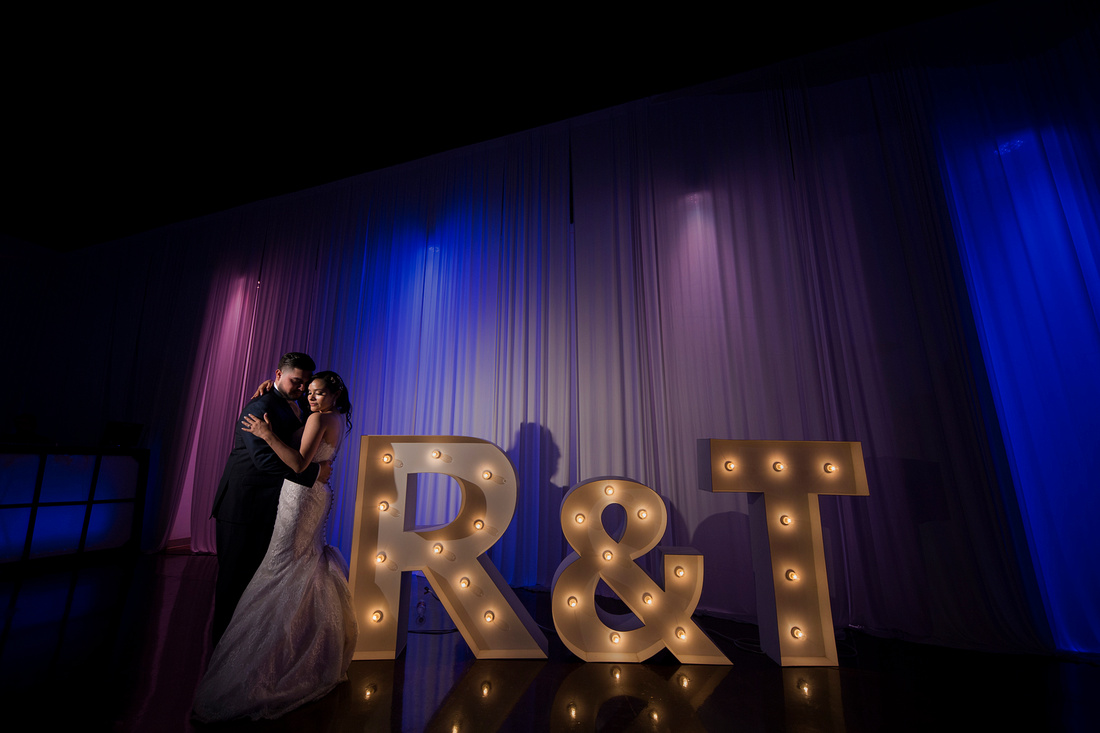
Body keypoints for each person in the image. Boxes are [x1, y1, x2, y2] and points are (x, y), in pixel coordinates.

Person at [194, 370, 359, 721]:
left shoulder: (318, 417)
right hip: (313, 494)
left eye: (317, 392)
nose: (310, 398)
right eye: (308, 391)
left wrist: (267, 434)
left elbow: (299, 463)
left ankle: (259, 660)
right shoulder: (335, 417)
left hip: (300, 496)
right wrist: (271, 392)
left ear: (333, 394)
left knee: (283, 565)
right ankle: (299, 645)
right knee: (298, 562)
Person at [209, 352, 326, 644]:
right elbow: (264, 461)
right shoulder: (259, 406)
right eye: (295, 382)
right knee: (232, 582)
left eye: (305, 384)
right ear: (277, 374)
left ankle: (246, 644)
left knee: (257, 580)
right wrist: (313, 473)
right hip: (241, 505)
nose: (301, 389)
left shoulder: (299, 402)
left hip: (271, 504)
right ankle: (220, 650)